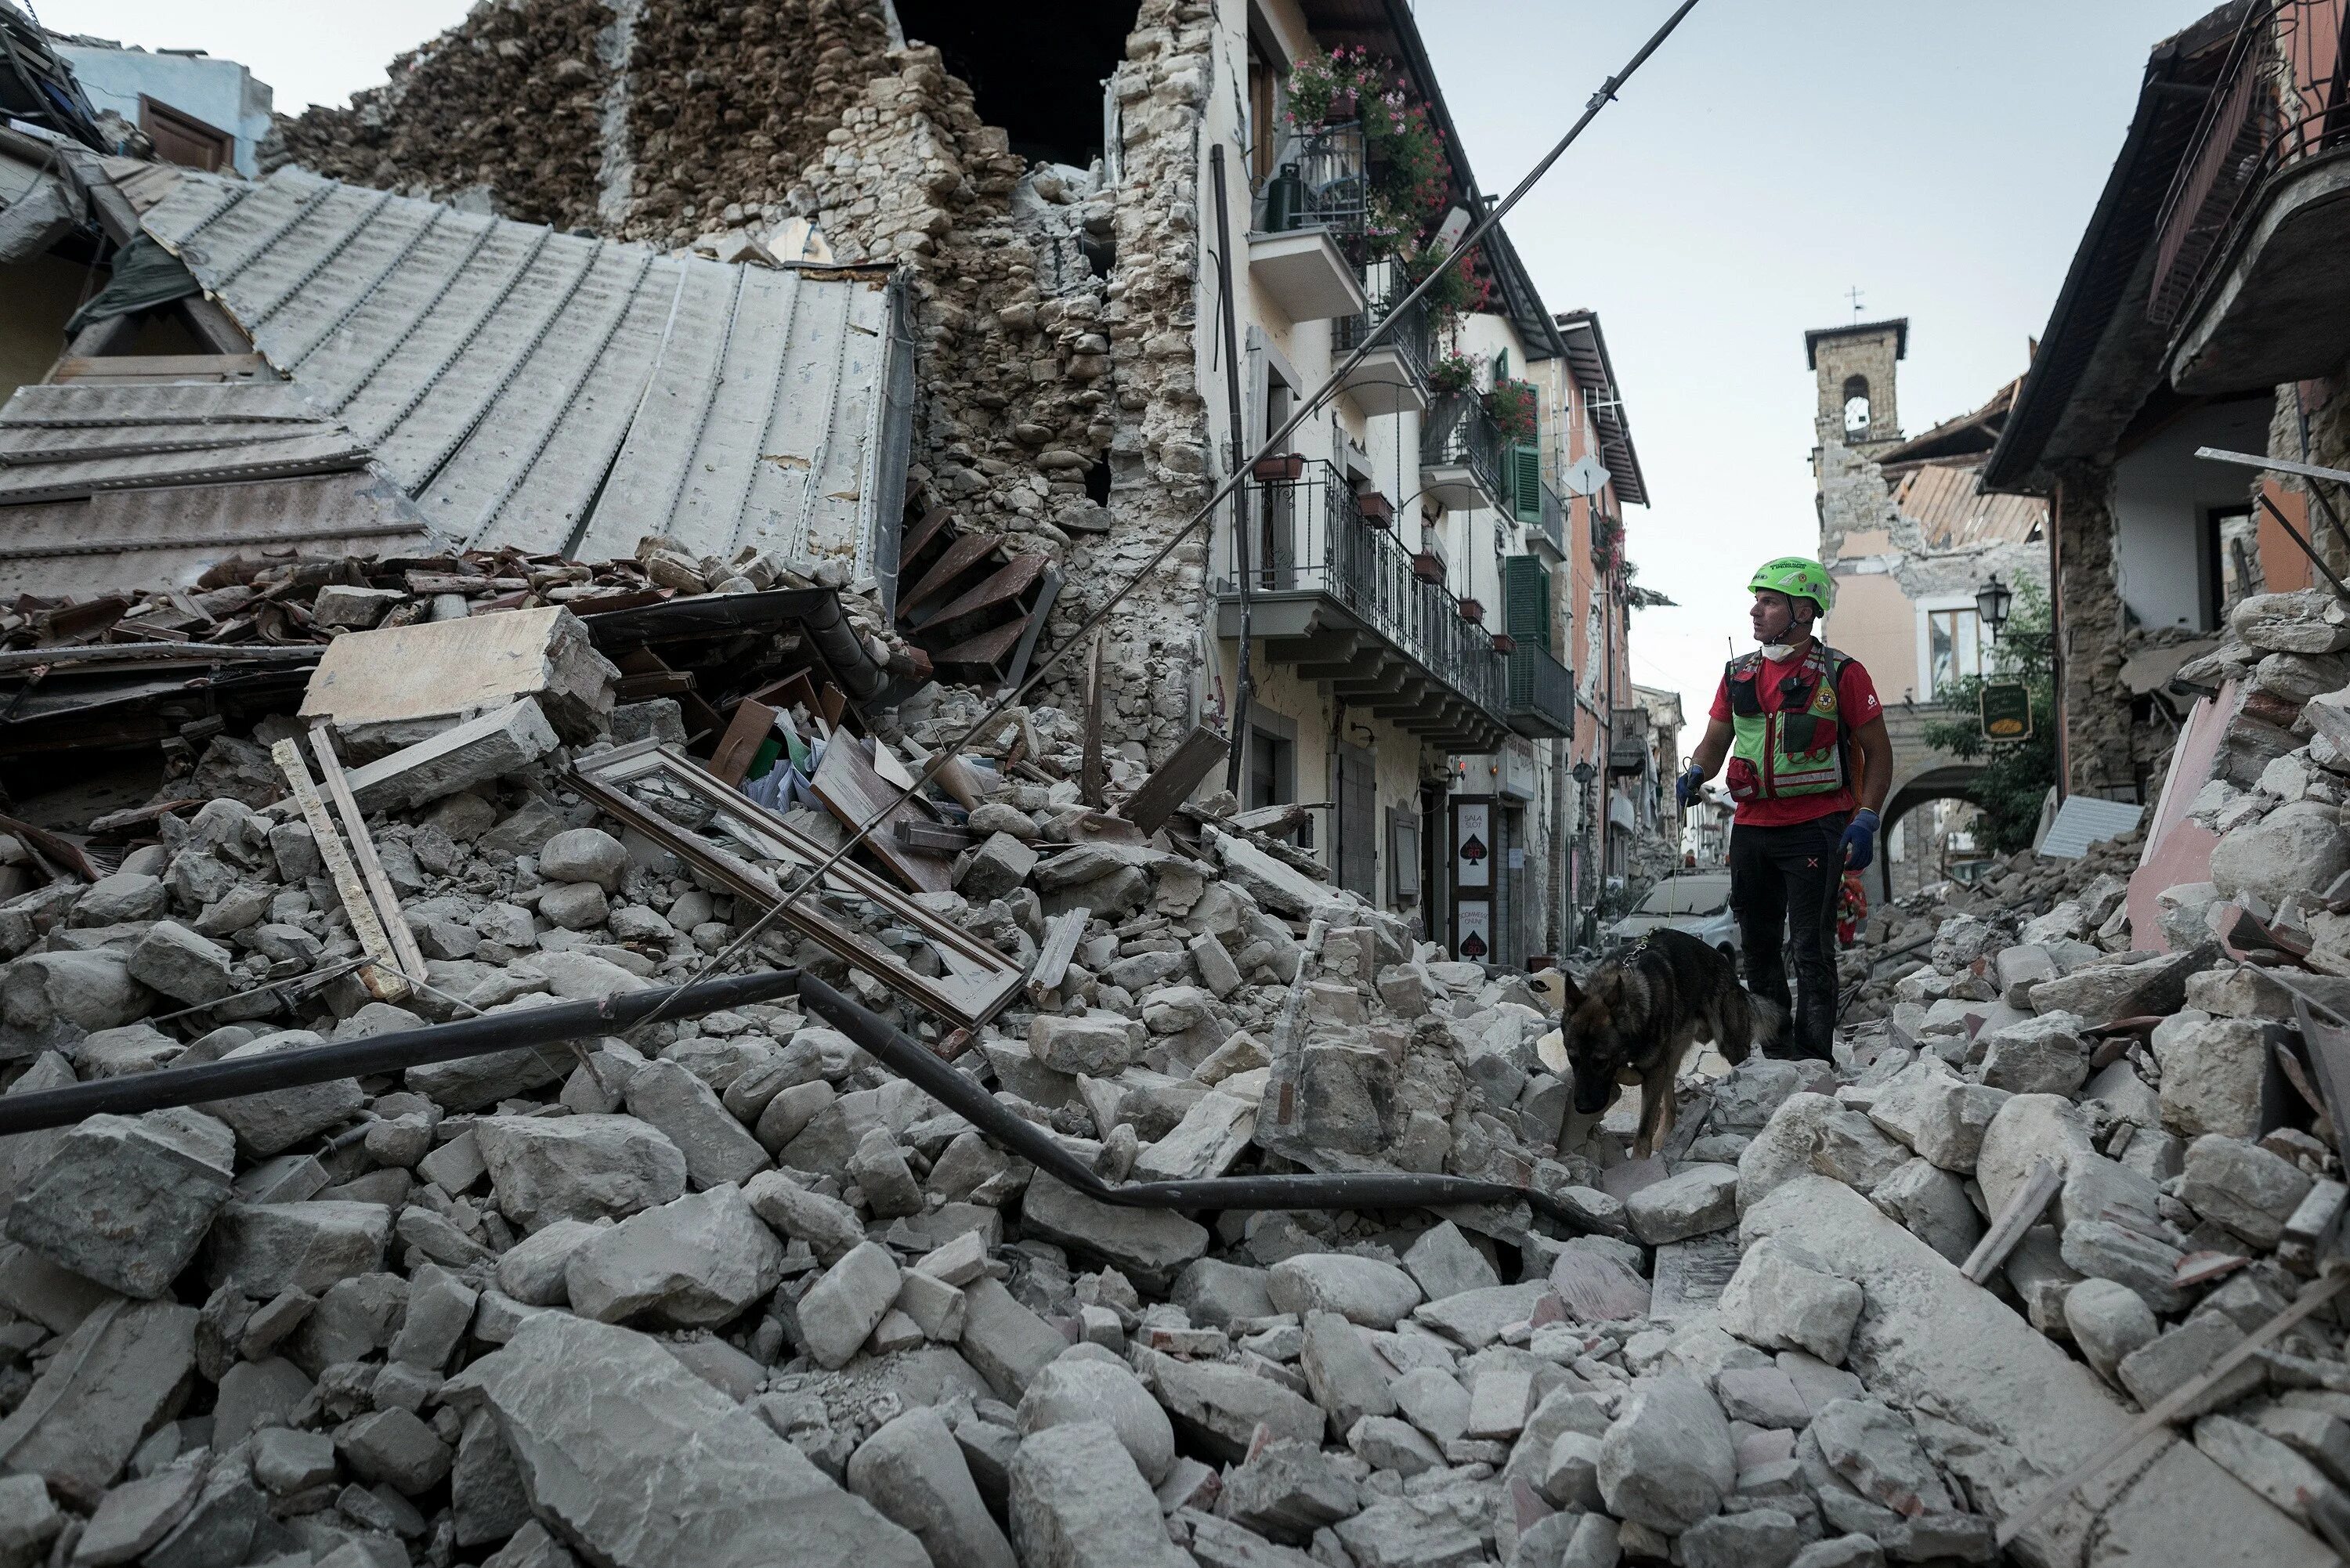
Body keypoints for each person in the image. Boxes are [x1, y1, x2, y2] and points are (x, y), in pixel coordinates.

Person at [1675, 558, 1892, 1059]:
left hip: (1817, 828)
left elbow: (1880, 754)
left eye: (1769, 602)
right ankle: (1775, 1052)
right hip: (1751, 830)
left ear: (1803, 611)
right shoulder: (1738, 675)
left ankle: (1815, 1057)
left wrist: (1867, 817)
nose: (1755, 611)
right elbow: (1714, 743)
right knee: (1759, 946)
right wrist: (1694, 775)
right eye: (1757, 601)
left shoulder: (1843, 674)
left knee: (1813, 950)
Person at [1837, 870, 1867, 949]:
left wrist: (1854, 916)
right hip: (1842, 918)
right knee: (1842, 936)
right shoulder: (1837, 893)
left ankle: (1848, 949)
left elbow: (1856, 904)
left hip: (1849, 918)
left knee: (1846, 938)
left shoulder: (1846, 893)